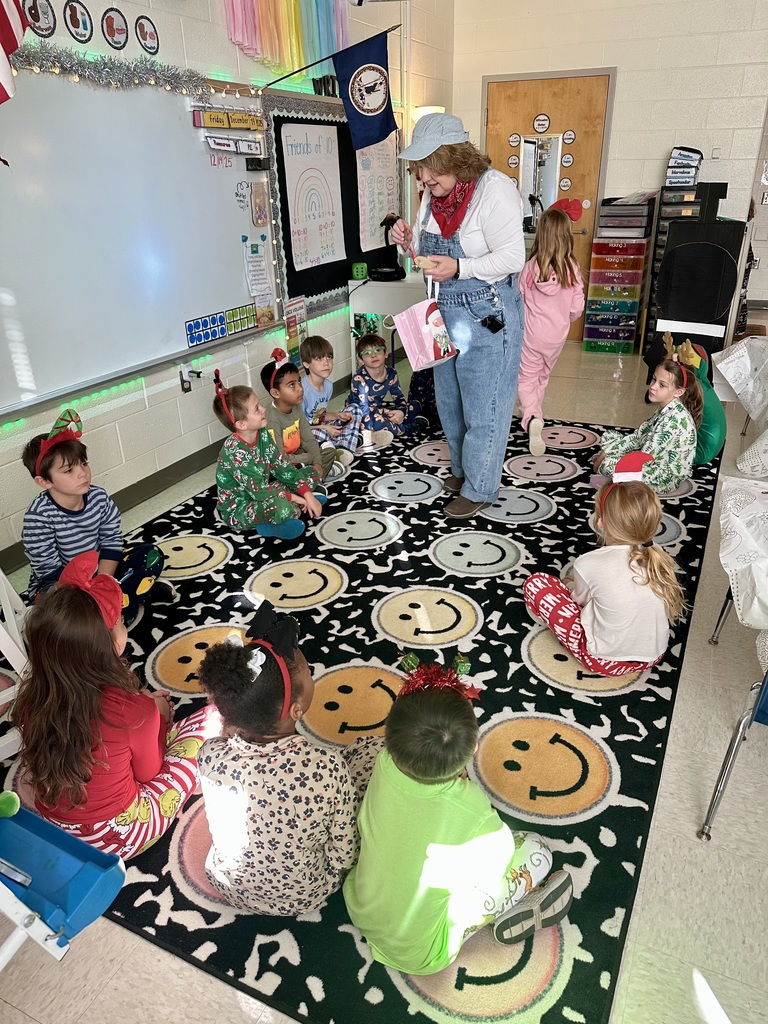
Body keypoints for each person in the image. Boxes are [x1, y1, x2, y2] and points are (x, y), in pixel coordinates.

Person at [343, 662, 573, 975]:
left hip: (362, 908)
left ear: (390, 740)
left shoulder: (384, 762)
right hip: (423, 952)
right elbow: (497, 861)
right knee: (536, 851)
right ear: (474, 749)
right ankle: (503, 912)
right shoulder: (471, 808)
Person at [10, 551, 215, 858]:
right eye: (120, 620)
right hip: (118, 837)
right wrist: (156, 718)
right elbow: (150, 773)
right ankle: (200, 775)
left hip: (57, 826)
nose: (123, 625)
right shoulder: (132, 712)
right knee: (210, 720)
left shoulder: (32, 698)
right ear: (108, 645)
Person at [391, 112, 526, 518]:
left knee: (485, 404)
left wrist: (459, 268)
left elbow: (513, 257)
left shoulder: (495, 191)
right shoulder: (432, 199)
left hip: (486, 313)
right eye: (420, 174)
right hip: (443, 312)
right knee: (449, 400)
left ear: (454, 160)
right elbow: (422, 257)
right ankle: (465, 468)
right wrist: (404, 241)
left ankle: (481, 486)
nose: (423, 183)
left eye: (430, 173)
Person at [197, 600, 359, 916]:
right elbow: (344, 856)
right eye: (310, 674)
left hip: (229, 886)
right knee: (369, 758)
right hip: (304, 895)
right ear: (297, 710)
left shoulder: (210, 755)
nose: (313, 677)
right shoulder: (326, 767)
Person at [523, 453, 686, 677]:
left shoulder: (588, 563)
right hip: (652, 656)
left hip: (603, 659)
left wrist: (569, 585)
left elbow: (575, 601)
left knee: (537, 584)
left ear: (600, 521)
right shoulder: (658, 558)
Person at [21, 410, 165, 620]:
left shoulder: (98, 497)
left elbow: (112, 541)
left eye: (84, 463)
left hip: (100, 570)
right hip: (62, 584)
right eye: (69, 470)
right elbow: (49, 571)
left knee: (150, 555)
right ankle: (123, 602)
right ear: (45, 481)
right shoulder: (39, 517)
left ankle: (113, 605)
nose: (83, 473)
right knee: (53, 605)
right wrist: (87, 590)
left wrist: (103, 582)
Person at [213, 369, 325, 540]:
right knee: (283, 508)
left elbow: (282, 468)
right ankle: (270, 526)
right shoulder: (235, 452)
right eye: (257, 409)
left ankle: (299, 506)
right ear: (242, 424)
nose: (264, 409)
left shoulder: (262, 434)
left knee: (311, 473)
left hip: (265, 492)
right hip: (241, 507)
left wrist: (307, 494)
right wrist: (301, 499)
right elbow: (260, 492)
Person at [518, 205, 585, 455]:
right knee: (543, 376)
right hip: (557, 337)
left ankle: (533, 417)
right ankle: (536, 413)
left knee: (526, 378)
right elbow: (577, 307)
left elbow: (518, 299)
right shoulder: (573, 268)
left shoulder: (530, 267)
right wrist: (565, 318)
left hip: (531, 335)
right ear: (566, 235)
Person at [593, 357, 701, 495]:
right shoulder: (666, 407)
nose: (653, 386)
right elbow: (640, 436)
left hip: (663, 478)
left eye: (662, 385)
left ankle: (615, 482)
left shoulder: (672, 421)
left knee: (607, 465)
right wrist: (609, 451)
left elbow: (645, 458)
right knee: (609, 437)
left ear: (678, 391)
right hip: (651, 456)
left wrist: (610, 458)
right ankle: (614, 473)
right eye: (654, 380)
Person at [261, 348, 342, 481]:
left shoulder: (296, 407)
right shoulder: (271, 420)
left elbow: (308, 439)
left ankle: (312, 481)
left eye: (299, 381)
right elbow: (279, 459)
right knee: (291, 470)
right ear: (275, 393)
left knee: (328, 450)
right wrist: (310, 458)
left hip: (297, 455)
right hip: (280, 465)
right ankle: (311, 483)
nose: (300, 388)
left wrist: (316, 462)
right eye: (292, 385)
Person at [300, 334, 366, 454]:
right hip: (306, 431)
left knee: (355, 410)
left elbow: (318, 416)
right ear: (306, 364)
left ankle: (340, 447)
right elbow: (299, 427)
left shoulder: (328, 386)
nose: (326, 363)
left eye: (329, 357)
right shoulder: (301, 390)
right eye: (319, 358)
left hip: (320, 424)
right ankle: (346, 442)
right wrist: (325, 428)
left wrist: (337, 415)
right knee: (319, 434)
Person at [348, 334, 425, 438]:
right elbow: (363, 409)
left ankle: (392, 424)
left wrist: (401, 412)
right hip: (360, 414)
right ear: (361, 360)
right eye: (367, 353)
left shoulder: (391, 373)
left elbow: (398, 397)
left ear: (385, 353)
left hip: (378, 409)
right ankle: (407, 428)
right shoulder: (359, 379)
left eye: (378, 350)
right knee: (373, 423)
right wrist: (385, 412)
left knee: (415, 405)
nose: (373, 355)